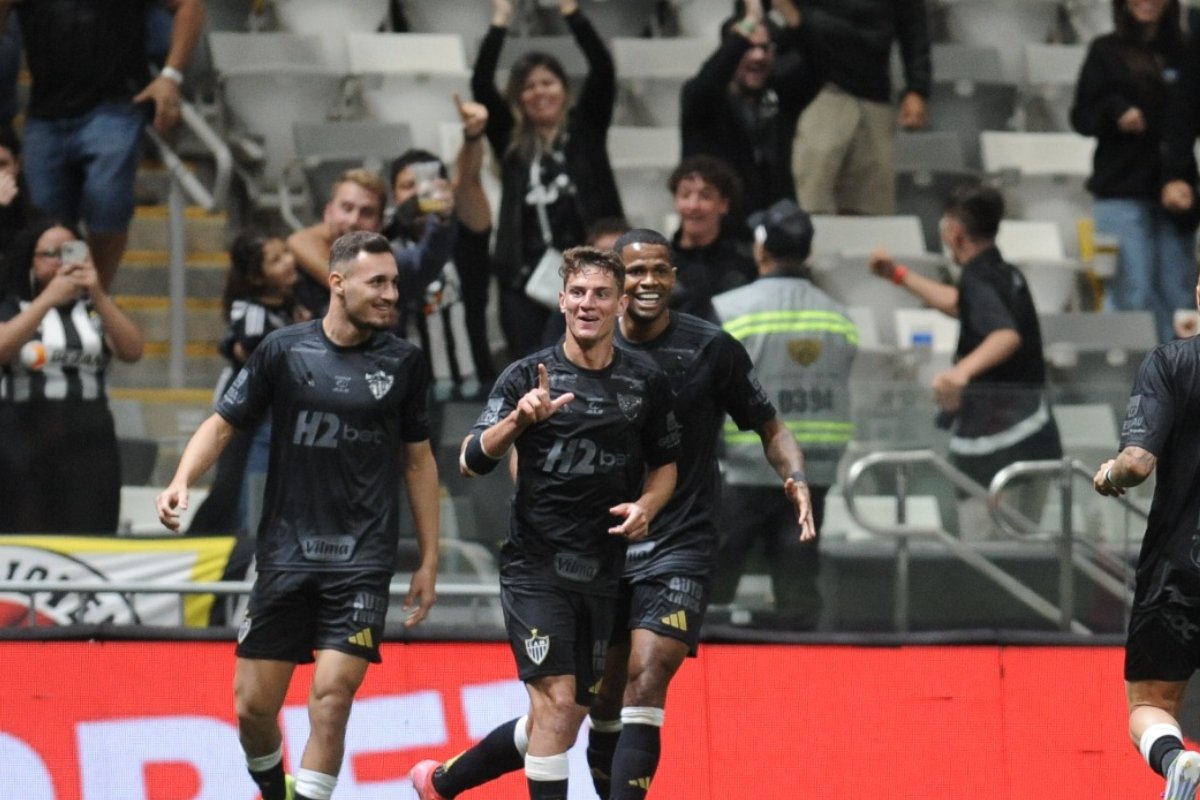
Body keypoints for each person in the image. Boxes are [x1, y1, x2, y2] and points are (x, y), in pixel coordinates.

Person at [156, 231, 441, 800]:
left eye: (394, 283)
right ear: (337, 283)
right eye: (377, 282)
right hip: (285, 556)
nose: (391, 294)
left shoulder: (405, 363)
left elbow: (417, 461)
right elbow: (222, 423)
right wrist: (182, 478)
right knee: (253, 708)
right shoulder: (283, 351)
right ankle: (273, 788)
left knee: (331, 698)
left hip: (361, 561)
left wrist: (429, 557)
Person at [408, 246, 679, 800]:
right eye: (577, 293)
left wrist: (647, 507)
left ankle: (441, 783)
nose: (588, 303)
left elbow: (666, 468)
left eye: (601, 294)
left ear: (621, 304)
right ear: (561, 301)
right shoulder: (524, 378)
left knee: (565, 716)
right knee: (557, 703)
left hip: (602, 574)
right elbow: (469, 460)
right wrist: (516, 420)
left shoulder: (644, 385)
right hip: (536, 570)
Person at [583, 227, 813, 799]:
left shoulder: (711, 348)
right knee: (602, 698)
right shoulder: (585, 343)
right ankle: (451, 779)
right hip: (601, 541)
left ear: (673, 278)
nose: (648, 282)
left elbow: (770, 424)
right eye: (635, 271)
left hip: (682, 539)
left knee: (649, 672)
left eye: (659, 271)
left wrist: (795, 475)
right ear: (614, 279)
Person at [868, 184, 1062, 530]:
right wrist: (897, 275)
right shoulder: (1005, 274)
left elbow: (1004, 335)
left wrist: (960, 373)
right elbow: (960, 303)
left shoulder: (978, 279)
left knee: (989, 556)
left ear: (955, 233)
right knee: (1029, 555)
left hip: (999, 445)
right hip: (1037, 437)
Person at [709, 199, 857, 630]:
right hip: (812, 471)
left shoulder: (730, 310)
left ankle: (704, 682)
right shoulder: (840, 317)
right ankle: (799, 679)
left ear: (761, 250)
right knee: (797, 590)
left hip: (742, 469)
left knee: (714, 590)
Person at [0, 0, 207, 289]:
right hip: (46, 113)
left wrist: (170, 76)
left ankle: (95, 294)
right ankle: (59, 303)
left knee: (106, 199)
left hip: (114, 106)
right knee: (48, 223)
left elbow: (189, 5)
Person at [1093, 269, 1200, 800]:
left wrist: (1109, 474)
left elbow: (1137, 463)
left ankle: (1176, 761)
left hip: (1180, 567)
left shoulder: (1171, 363)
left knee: (1151, 705)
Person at [472, 0, 624, 361]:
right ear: (518, 99)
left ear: (564, 89)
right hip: (523, 277)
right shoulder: (510, 141)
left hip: (585, 270)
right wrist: (500, 21)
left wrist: (572, 14)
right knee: (531, 363)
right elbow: (481, 82)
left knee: (589, 359)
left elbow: (603, 70)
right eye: (528, 87)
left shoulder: (586, 130)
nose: (539, 92)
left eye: (548, 82)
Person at [0, 220, 144, 534]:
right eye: (49, 253)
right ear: (30, 260)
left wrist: (98, 291)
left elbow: (132, 350)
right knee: (26, 526)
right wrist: (47, 300)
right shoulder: (14, 307)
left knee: (90, 526)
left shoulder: (94, 312)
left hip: (90, 436)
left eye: (70, 251)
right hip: (25, 435)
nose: (60, 261)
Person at [1071, 0, 1195, 343]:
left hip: (1175, 191)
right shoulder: (1106, 51)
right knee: (1130, 295)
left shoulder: (1186, 51)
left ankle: (1181, 390)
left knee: (1179, 300)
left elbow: (1185, 122)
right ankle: (1131, 387)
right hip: (1120, 190)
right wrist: (1116, 111)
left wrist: (1178, 176)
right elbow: (1081, 117)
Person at [188, 228, 298, 540]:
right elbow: (251, 345)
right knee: (235, 478)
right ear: (256, 277)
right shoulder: (250, 310)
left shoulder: (290, 303)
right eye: (277, 260)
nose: (290, 262)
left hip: (275, 404)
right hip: (246, 401)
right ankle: (215, 544)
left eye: (286, 253)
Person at [384, 96, 496, 391]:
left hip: (474, 385)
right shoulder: (384, 247)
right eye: (408, 185)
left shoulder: (466, 235)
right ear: (394, 197)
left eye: (430, 182)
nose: (420, 192)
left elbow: (469, 179)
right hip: (411, 391)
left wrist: (472, 136)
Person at [679, 0, 823, 220]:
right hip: (720, 233)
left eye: (764, 48)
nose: (758, 57)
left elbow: (819, 64)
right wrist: (751, 20)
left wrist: (789, 12)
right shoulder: (703, 100)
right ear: (731, 51)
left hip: (776, 232)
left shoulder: (782, 98)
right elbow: (707, 82)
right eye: (748, 47)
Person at [791, 0, 931, 215]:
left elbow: (914, 25)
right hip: (817, 90)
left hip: (874, 93)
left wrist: (918, 88)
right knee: (809, 201)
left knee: (871, 209)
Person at [287, 168, 390, 318]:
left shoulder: (387, 262)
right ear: (328, 212)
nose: (354, 220)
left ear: (379, 224)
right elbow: (297, 241)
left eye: (367, 212)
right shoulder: (300, 252)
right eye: (347, 208)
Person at [667, 154, 756, 321]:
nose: (693, 206)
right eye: (685, 195)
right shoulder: (661, 262)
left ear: (724, 204)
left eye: (705, 196)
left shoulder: (746, 262)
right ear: (676, 202)